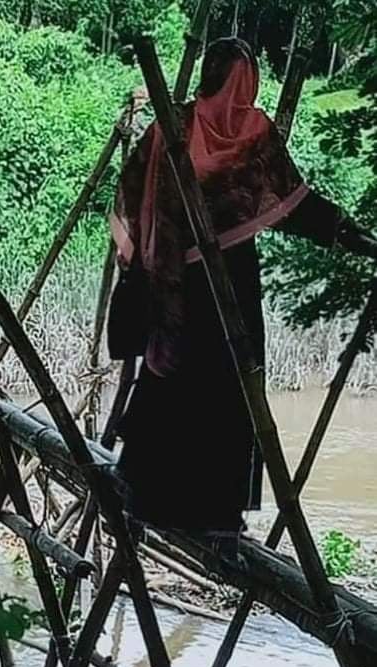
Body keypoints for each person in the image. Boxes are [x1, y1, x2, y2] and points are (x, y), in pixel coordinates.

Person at [107, 37, 376, 551]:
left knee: (206, 389)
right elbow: (139, 186)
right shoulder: (181, 127)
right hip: (204, 283)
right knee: (216, 389)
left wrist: (345, 231)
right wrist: (346, 232)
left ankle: (182, 505)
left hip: (196, 284)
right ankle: (191, 508)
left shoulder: (215, 129)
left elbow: (292, 201)